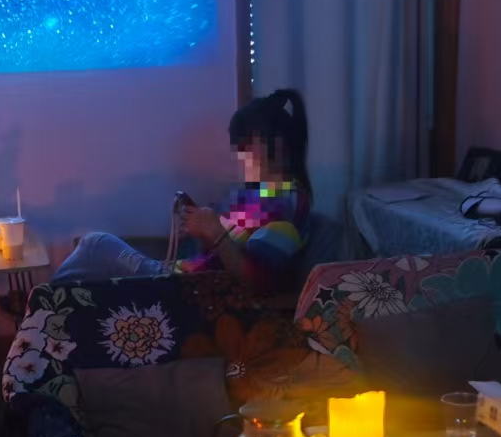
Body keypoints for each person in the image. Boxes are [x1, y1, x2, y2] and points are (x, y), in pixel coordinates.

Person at [51, 88, 313, 295]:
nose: (239, 156)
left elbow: (258, 282)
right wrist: (201, 230)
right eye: (238, 147)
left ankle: (44, 311)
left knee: (95, 244)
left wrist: (216, 232)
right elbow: (222, 256)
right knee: (92, 258)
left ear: (277, 146)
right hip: (184, 276)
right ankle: (49, 312)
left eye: (246, 146)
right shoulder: (261, 197)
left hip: (185, 290)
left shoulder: (286, 205)